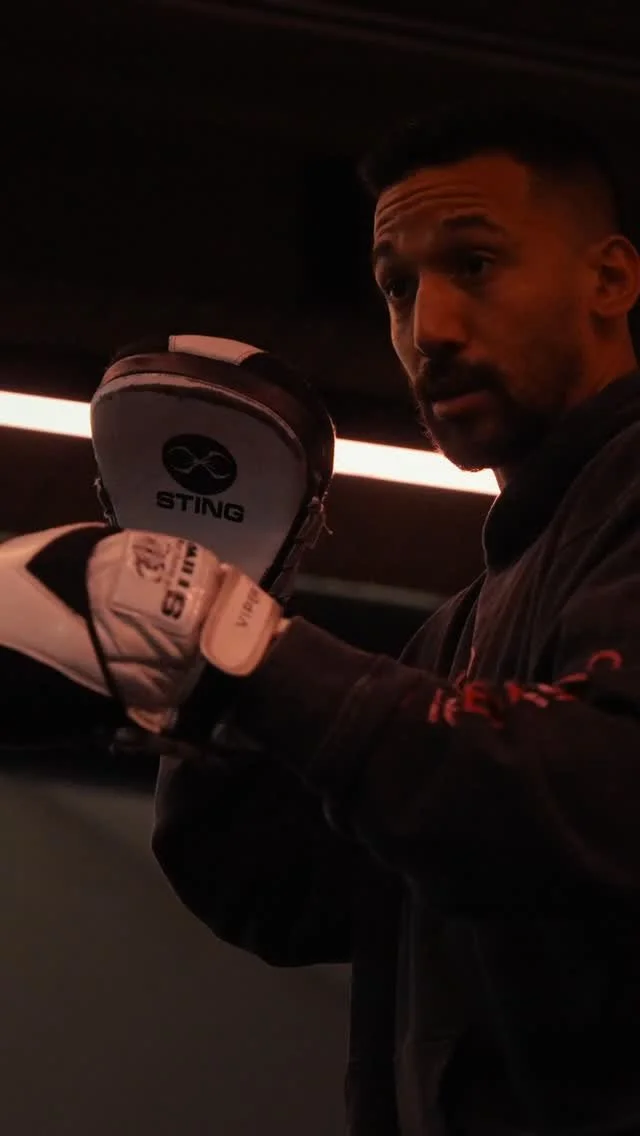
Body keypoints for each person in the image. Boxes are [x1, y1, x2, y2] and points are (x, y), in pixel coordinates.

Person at [4, 97, 640, 1135]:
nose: (429, 329)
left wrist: (238, 635)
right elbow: (284, 892)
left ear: (609, 279)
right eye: (398, 287)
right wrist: (205, 663)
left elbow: (603, 800)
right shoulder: (461, 629)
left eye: (474, 264)